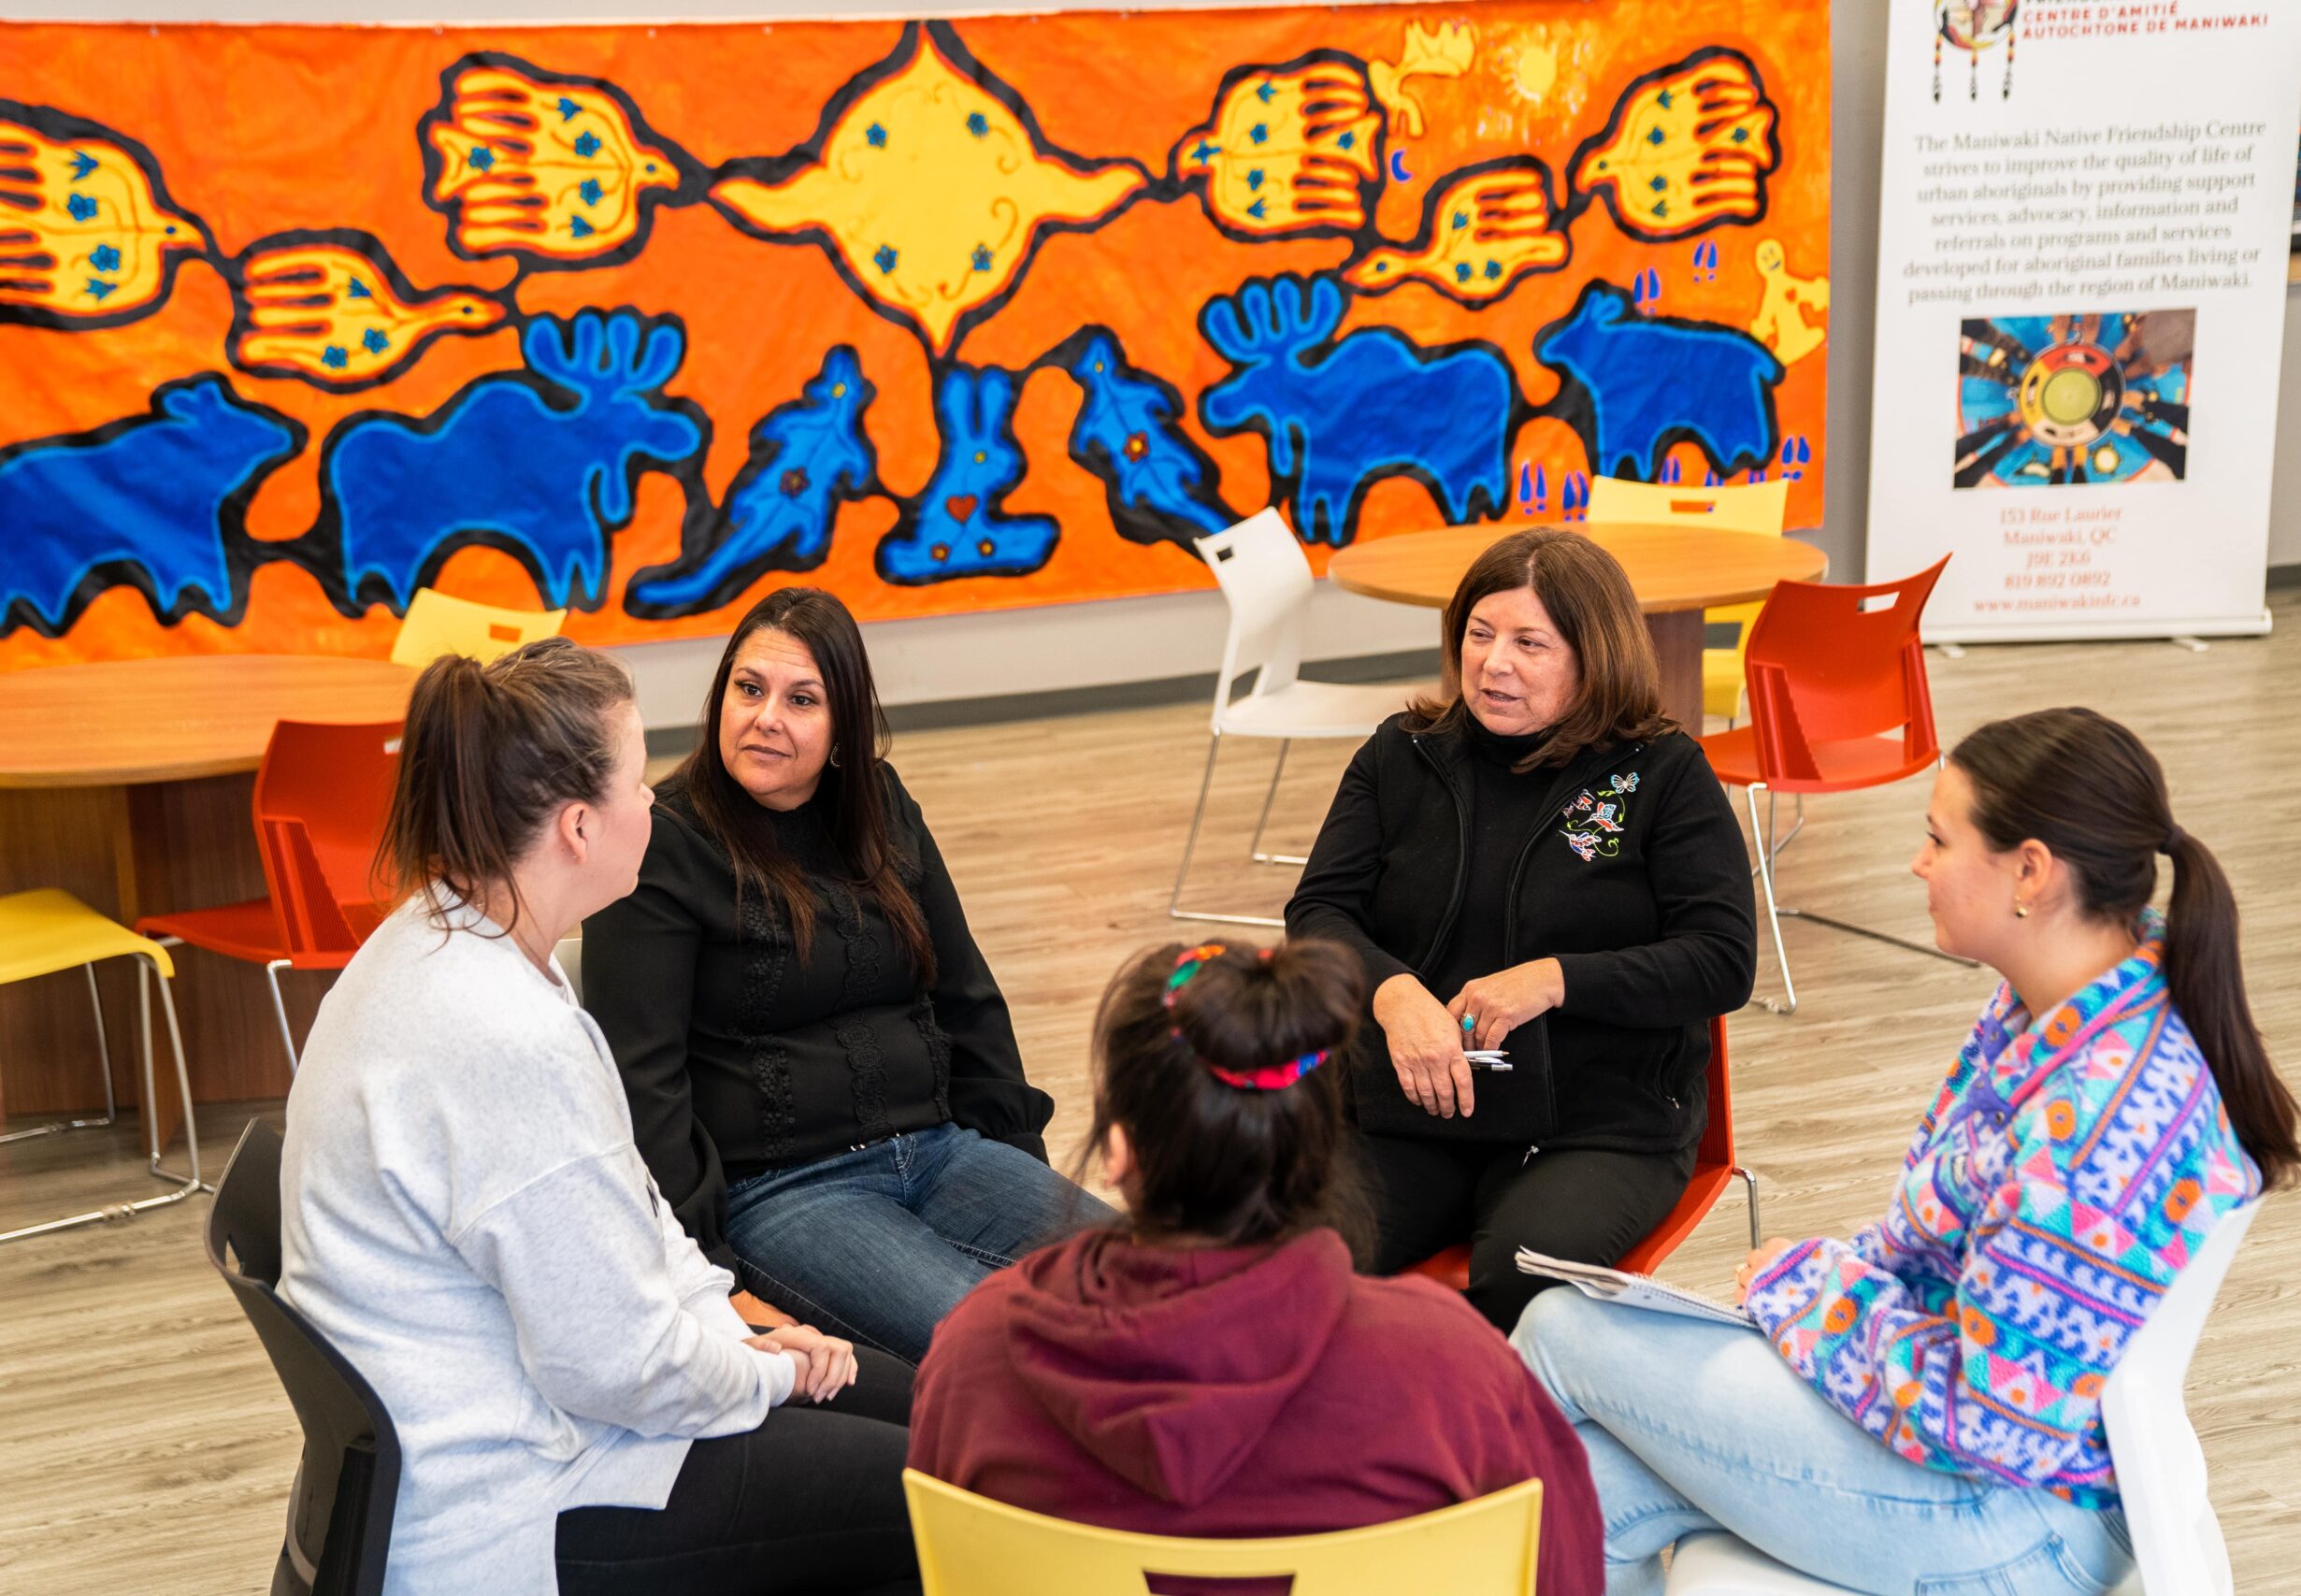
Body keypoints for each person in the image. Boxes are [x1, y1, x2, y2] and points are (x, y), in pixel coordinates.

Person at [1513, 707, 2301, 1596]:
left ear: (2031, 871)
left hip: (2012, 1518)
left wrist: (1816, 1295)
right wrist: (1827, 1286)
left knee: (1559, 1329)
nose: (1917, 863)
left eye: (1938, 839)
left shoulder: (2088, 1125)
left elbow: (1993, 1421)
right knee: (1583, 1489)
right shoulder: (2073, 1003)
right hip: (1987, 1458)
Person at [277, 638, 919, 1596]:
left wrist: (728, 1321)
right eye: (637, 781)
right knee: (942, 1493)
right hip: (522, 1500)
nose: (653, 801)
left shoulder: (449, 936)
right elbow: (619, 1368)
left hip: (518, 1426)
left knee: (928, 1409)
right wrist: (771, 1374)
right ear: (579, 827)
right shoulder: (504, 1039)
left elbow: (631, 1217)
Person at [908, 938, 1604, 1593]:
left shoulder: (974, 1358)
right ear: (1320, 1151)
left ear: (1118, 1151)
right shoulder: (1456, 1368)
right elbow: (1561, 1574)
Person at [583, 588, 1113, 1362]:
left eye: (802, 699)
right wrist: (708, 1274)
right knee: (1002, 1346)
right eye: (748, 688)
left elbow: (967, 997)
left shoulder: (880, 804)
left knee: (1167, 1280)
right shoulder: (662, 843)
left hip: (942, 1151)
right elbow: (642, 1082)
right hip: (787, 1193)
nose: (766, 717)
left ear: (843, 727)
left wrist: (1018, 1161)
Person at [1286, 526, 1757, 1330]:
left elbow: (1721, 960)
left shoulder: (1663, 773)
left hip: (1597, 1121)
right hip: (1414, 1102)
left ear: (1594, 654)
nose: (1493, 663)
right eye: (1479, 633)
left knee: (1519, 1283)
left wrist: (1554, 978)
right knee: (1291, 1259)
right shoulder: (1402, 754)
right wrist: (1394, 995)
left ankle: (1481, 1413)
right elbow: (1318, 912)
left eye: (1529, 643)